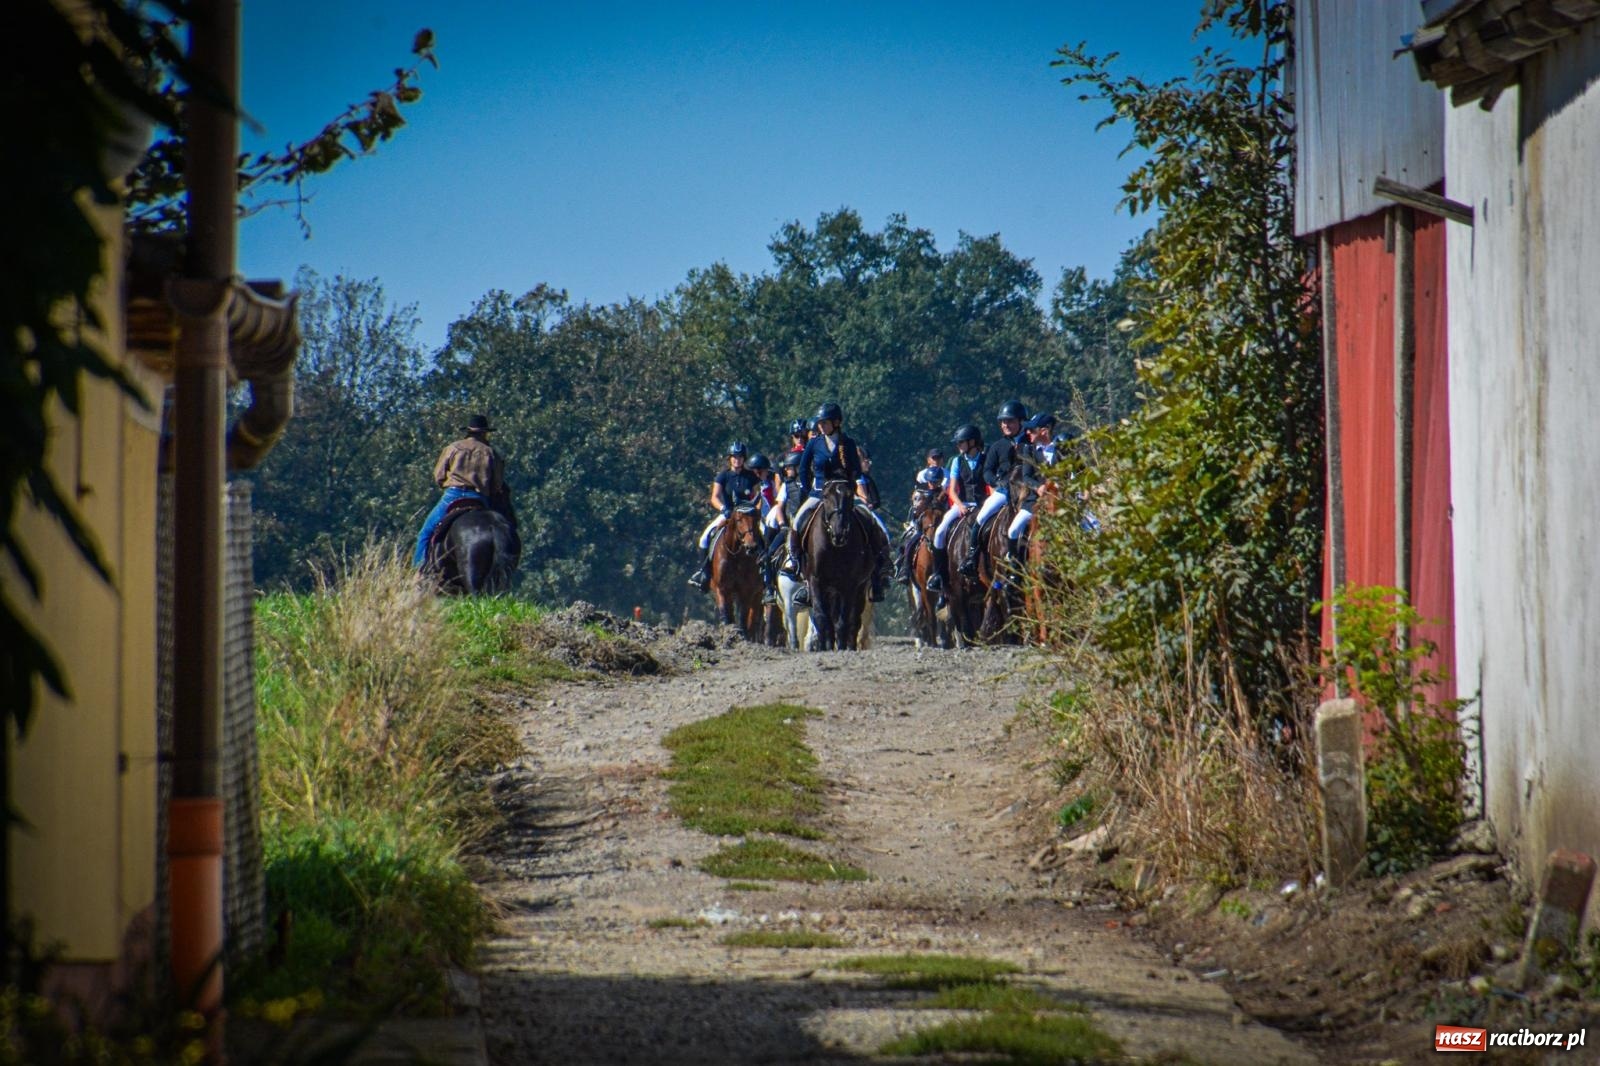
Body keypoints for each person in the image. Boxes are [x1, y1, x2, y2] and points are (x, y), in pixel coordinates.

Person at [784, 401, 892, 602]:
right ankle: (795, 564)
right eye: (820, 423)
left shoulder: (848, 443)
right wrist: (809, 490)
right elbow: (803, 469)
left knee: (874, 522)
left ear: (836, 422)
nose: (821, 426)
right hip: (819, 493)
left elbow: (857, 471)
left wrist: (856, 493)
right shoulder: (814, 444)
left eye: (825, 423)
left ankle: (881, 566)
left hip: (845, 494)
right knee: (797, 523)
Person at [413, 414, 506, 567]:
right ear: (484, 433)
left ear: (468, 431)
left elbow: (438, 475)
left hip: (453, 495)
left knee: (425, 533)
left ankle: (419, 570)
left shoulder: (453, 448)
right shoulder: (491, 452)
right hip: (478, 497)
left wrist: (446, 484)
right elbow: (497, 484)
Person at [959, 400, 1029, 576]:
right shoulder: (998, 446)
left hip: (1028, 491)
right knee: (980, 518)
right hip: (1004, 491)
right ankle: (972, 558)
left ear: (1021, 421)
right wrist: (998, 483)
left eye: (1010, 421)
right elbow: (987, 472)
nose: (1006, 425)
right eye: (1003, 422)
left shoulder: (1030, 442)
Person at [687, 442, 765, 592]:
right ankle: (704, 573)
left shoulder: (751, 477)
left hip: (748, 516)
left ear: (744, 459)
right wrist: (723, 508)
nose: (737, 460)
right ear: (730, 458)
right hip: (728, 514)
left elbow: (759, 495)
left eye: (740, 457)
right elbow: (714, 498)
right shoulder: (723, 476)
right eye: (734, 457)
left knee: (765, 534)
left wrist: (756, 511)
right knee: (705, 537)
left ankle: (767, 572)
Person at [925, 424, 985, 593]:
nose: (958, 446)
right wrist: (959, 505)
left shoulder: (985, 458)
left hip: (982, 505)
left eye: (961, 442)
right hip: (963, 504)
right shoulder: (957, 461)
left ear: (972, 442)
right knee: (939, 532)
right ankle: (940, 576)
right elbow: (951, 490)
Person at [1005, 412, 1059, 549]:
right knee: (1013, 530)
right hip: (1035, 501)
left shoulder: (1061, 448)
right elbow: (1027, 476)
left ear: (1044, 431)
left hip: (1061, 501)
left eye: (1032, 429)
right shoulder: (1029, 450)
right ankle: (1013, 565)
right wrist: (1038, 487)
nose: (1027, 431)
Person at [894, 453, 947, 584]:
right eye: (931, 482)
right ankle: (905, 569)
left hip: (941, 525)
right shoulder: (921, 493)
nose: (933, 484)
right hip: (923, 526)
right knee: (911, 542)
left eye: (936, 482)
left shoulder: (944, 494)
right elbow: (915, 510)